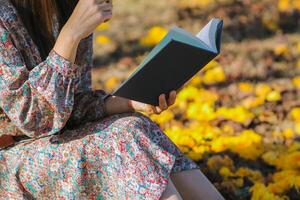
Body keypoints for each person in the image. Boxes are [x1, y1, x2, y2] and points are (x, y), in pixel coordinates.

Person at [0, 0, 225, 199]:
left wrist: (125, 102)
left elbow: (67, 107)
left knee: (134, 126)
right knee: (122, 141)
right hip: (7, 163)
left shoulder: (68, 7)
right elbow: (36, 120)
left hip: (44, 144)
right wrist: (70, 35)